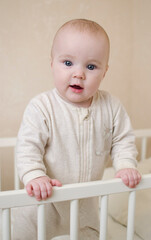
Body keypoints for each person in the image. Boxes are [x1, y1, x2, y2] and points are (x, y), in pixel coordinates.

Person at [13, 19, 141, 239]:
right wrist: (35, 176)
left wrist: (126, 165)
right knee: (19, 233)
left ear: (104, 72)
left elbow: (123, 140)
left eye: (91, 66)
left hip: (86, 208)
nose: (79, 74)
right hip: (43, 202)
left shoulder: (111, 106)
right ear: (52, 63)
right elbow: (27, 147)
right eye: (68, 63)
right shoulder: (42, 107)